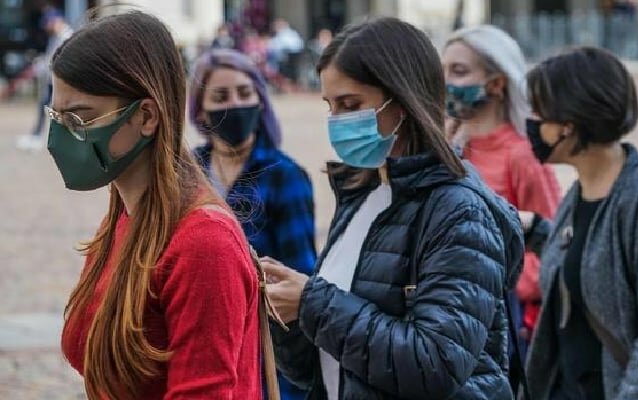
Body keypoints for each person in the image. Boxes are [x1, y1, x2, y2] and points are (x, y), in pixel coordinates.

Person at [261, 17, 525, 399]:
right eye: (330, 106)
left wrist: (312, 303)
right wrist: (285, 316)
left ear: (402, 101)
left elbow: (435, 364)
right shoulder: (361, 194)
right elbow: (321, 367)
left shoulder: (458, 211)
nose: (336, 121)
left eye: (350, 105)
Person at [49, 12, 274, 399]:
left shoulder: (204, 244)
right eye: (57, 116)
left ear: (146, 117)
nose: (61, 136)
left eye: (79, 119)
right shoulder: (124, 210)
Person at [522, 47, 638, 399]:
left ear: (569, 123)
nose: (531, 123)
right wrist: (535, 231)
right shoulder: (582, 191)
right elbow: (589, 262)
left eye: (539, 112)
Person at [188, 47, 317, 400]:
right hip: (198, 336)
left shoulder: (284, 175)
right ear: (200, 108)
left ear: (260, 101)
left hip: (265, 348)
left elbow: (300, 272)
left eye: (245, 94)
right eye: (221, 96)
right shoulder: (186, 173)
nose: (235, 104)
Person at [442, 25, 562, 351]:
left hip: (508, 330)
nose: (447, 81)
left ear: (496, 83)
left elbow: (553, 244)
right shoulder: (444, 145)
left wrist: (501, 285)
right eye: (444, 70)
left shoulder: (522, 155)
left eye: (459, 71)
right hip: (449, 322)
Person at [16, 7, 72, 151]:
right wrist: (40, 64)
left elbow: (60, 61)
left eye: (48, 23)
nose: (46, 27)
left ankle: (62, 139)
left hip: (60, 81)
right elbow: (50, 58)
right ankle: (38, 136)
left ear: (55, 21)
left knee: (60, 111)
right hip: (51, 80)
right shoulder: (55, 37)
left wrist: (44, 66)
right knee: (44, 106)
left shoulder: (67, 37)